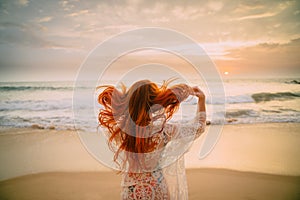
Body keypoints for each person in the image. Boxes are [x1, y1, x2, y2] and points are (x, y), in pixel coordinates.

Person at [98, 79, 206, 200]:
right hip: (157, 187)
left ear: (129, 103)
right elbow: (199, 128)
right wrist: (202, 100)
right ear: (154, 103)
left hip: (131, 190)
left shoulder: (120, 132)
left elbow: (108, 125)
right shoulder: (163, 131)